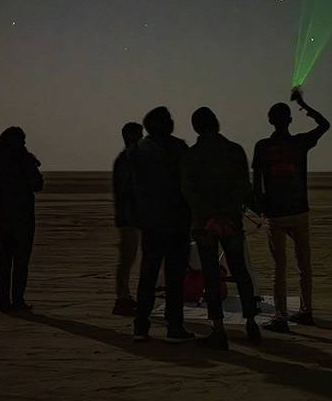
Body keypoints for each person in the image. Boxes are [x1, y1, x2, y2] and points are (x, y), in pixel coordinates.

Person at [180, 107, 261, 350]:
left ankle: (218, 328)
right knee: (240, 270)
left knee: (211, 274)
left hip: (204, 223)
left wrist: (207, 216)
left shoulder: (191, 157)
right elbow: (242, 185)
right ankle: (251, 323)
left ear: (196, 128)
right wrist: (226, 212)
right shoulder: (235, 150)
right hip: (231, 220)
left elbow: (189, 193)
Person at [252, 89, 330, 332]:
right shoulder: (299, 143)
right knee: (303, 263)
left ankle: (281, 317)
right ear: (290, 120)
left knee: (280, 267)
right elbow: (324, 124)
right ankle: (306, 310)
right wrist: (304, 104)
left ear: (270, 121)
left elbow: (257, 184)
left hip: (276, 214)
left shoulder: (263, 146)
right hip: (299, 211)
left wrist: (262, 209)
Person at [129, 107, 196, 344]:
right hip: (176, 222)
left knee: (148, 274)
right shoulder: (179, 148)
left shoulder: (140, 150)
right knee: (174, 277)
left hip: (152, 222)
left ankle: (141, 325)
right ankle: (174, 325)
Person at [0, 126, 44, 313]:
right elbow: (37, 184)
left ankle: (4, 301)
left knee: (5, 260)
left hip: (5, 214)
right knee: (20, 261)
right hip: (22, 214)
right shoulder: (23, 161)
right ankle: (17, 300)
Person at [111, 122, 143, 315]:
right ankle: (122, 297)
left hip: (132, 217)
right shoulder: (127, 160)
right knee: (127, 258)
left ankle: (124, 296)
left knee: (128, 259)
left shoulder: (126, 159)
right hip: (131, 218)